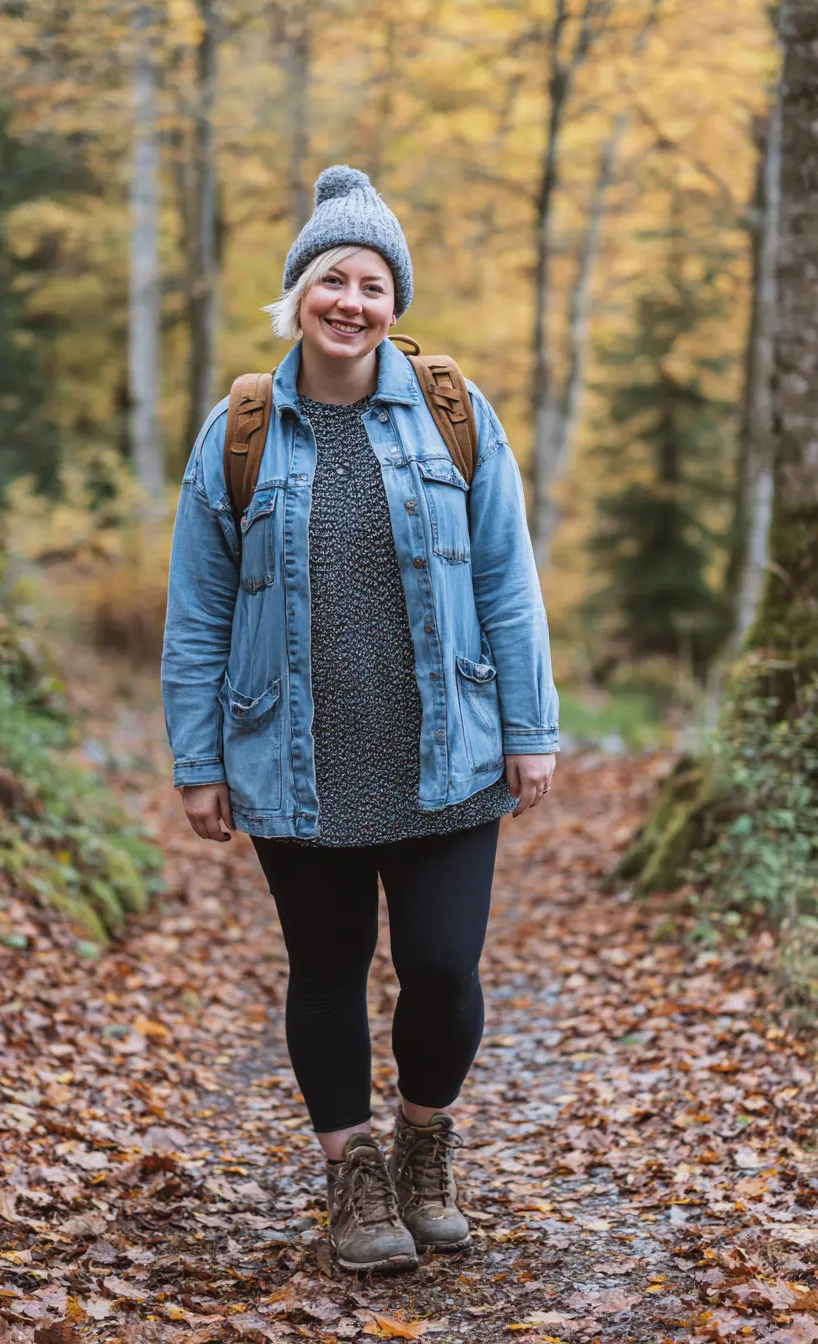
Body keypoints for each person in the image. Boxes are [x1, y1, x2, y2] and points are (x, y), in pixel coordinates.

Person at [161, 164, 559, 1273]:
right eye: (331, 280)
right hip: (297, 758)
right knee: (328, 969)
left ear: (394, 303)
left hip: (448, 750)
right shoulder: (239, 431)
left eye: (371, 285)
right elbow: (196, 610)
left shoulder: (452, 413)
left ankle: (424, 1142)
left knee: (443, 968)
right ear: (297, 294)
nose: (350, 302)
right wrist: (198, 760)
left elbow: (507, 579)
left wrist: (530, 729)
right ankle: (352, 1175)